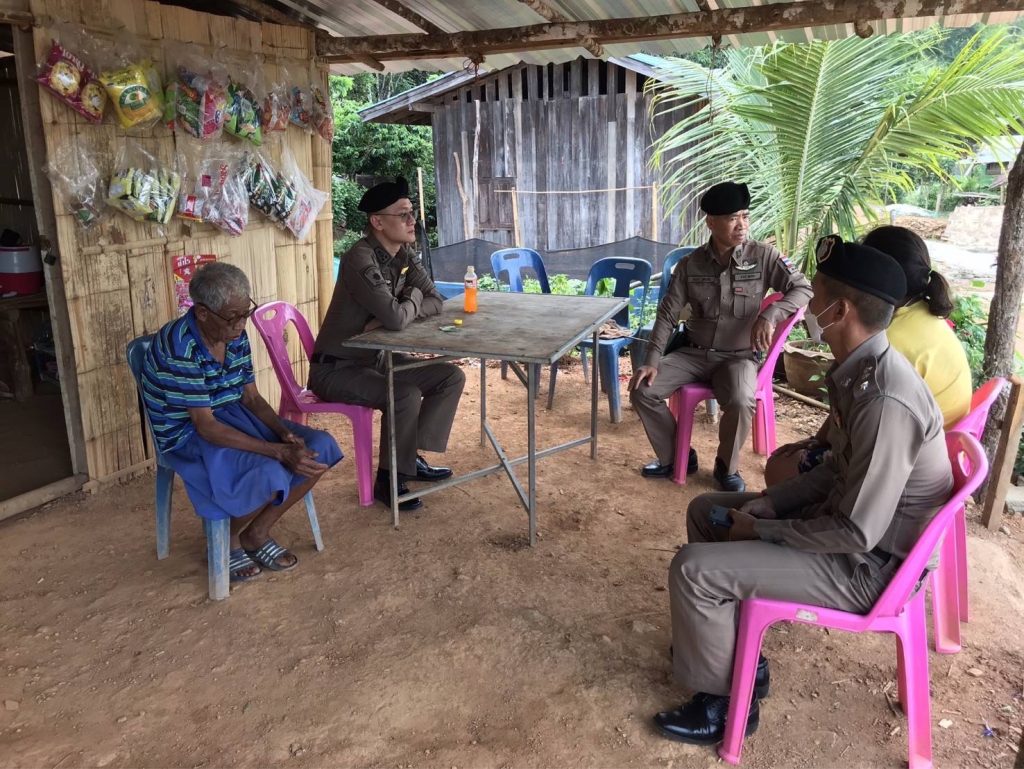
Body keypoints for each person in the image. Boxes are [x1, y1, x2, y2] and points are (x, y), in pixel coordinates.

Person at [652, 235, 953, 747]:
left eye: (818, 297)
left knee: (693, 569)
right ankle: (737, 658)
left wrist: (764, 530)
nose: (808, 307)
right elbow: (835, 471)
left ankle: (724, 706)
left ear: (842, 310)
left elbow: (855, 531)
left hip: (869, 568)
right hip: (850, 535)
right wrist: (772, 503)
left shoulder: (885, 398)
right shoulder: (860, 370)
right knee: (706, 511)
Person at [141, 262, 342, 583]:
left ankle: (256, 533)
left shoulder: (233, 332)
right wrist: (277, 451)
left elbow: (251, 398)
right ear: (203, 313)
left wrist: (284, 434)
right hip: (188, 431)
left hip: (233, 415)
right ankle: (225, 540)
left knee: (320, 447)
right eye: (232, 316)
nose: (240, 324)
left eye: (245, 313)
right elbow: (206, 426)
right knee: (271, 472)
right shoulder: (181, 346)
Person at [628, 181, 812, 492]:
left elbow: (803, 288)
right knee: (642, 390)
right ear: (711, 222)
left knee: (740, 400)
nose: (742, 225)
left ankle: (726, 467)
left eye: (745, 216)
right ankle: (678, 456)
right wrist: (652, 361)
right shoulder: (690, 265)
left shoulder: (763, 256)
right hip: (693, 354)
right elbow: (667, 315)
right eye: (732, 218)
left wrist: (770, 314)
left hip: (738, 357)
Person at [764, 225, 972, 486]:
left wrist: (817, 446)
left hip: (905, 462)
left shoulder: (885, 344)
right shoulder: (918, 315)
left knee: (780, 470)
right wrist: (817, 440)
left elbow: (858, 427)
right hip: (933, 447)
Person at [309, 177, 465, 512]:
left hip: (374, 360)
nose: (412, 221)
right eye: (403, 215)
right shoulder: (359, 259)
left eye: (412, 213)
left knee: (449, 376)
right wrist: (406, 304)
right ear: (377, 222)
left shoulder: (403, 253)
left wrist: (405, 304)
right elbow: (395, 318)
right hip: (336, 368)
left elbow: (436, 299)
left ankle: (409, 458)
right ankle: (388, 478)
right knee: (403, 394)